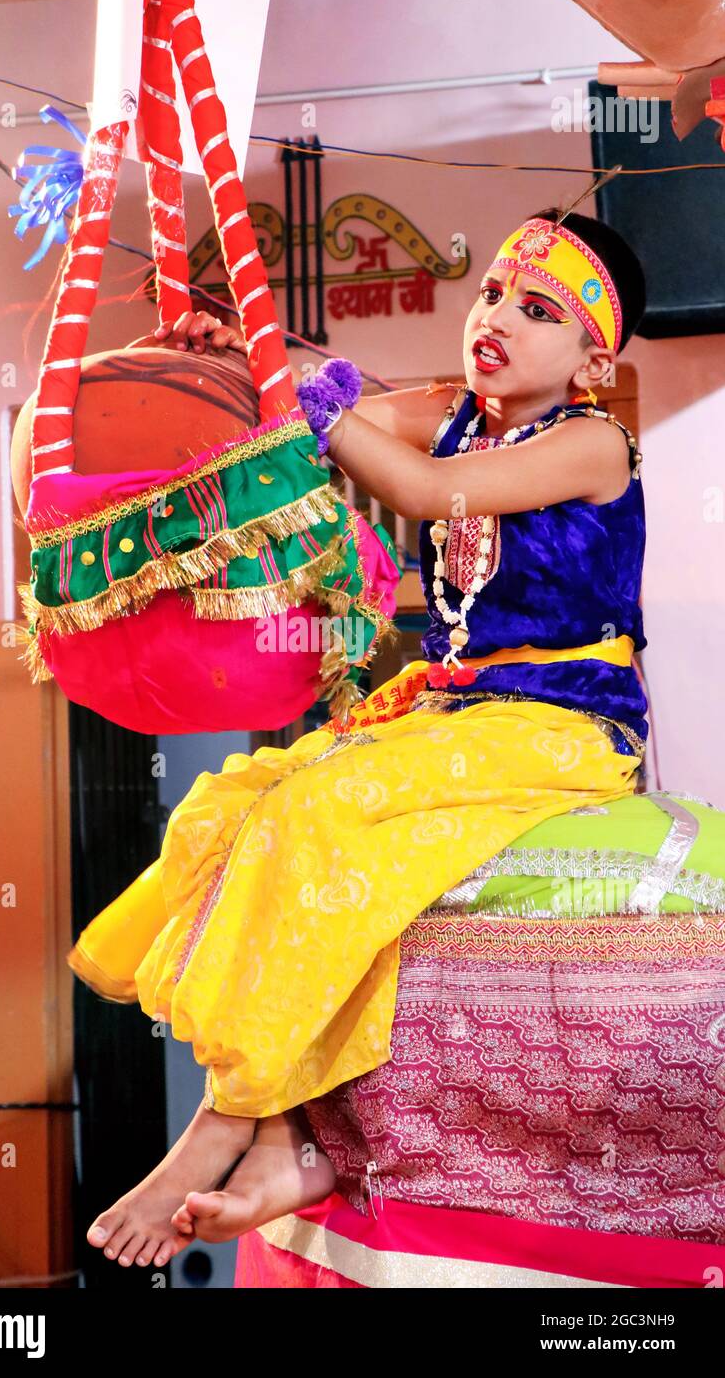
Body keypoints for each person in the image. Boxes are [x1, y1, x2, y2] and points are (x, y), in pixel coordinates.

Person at [74, 205, 653, 1270]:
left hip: (564, 722)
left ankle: (226, 1117)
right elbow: (297, 419)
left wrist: (327, 408)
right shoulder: (458, 411)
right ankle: (296, 1140)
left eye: (539, 310)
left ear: (591, 356)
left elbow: (426, 491)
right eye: (490, 292)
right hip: (449, 709)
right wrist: (225, 363)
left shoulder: (591, 442)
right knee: (231, 802)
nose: (497, 318)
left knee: (323, 810)